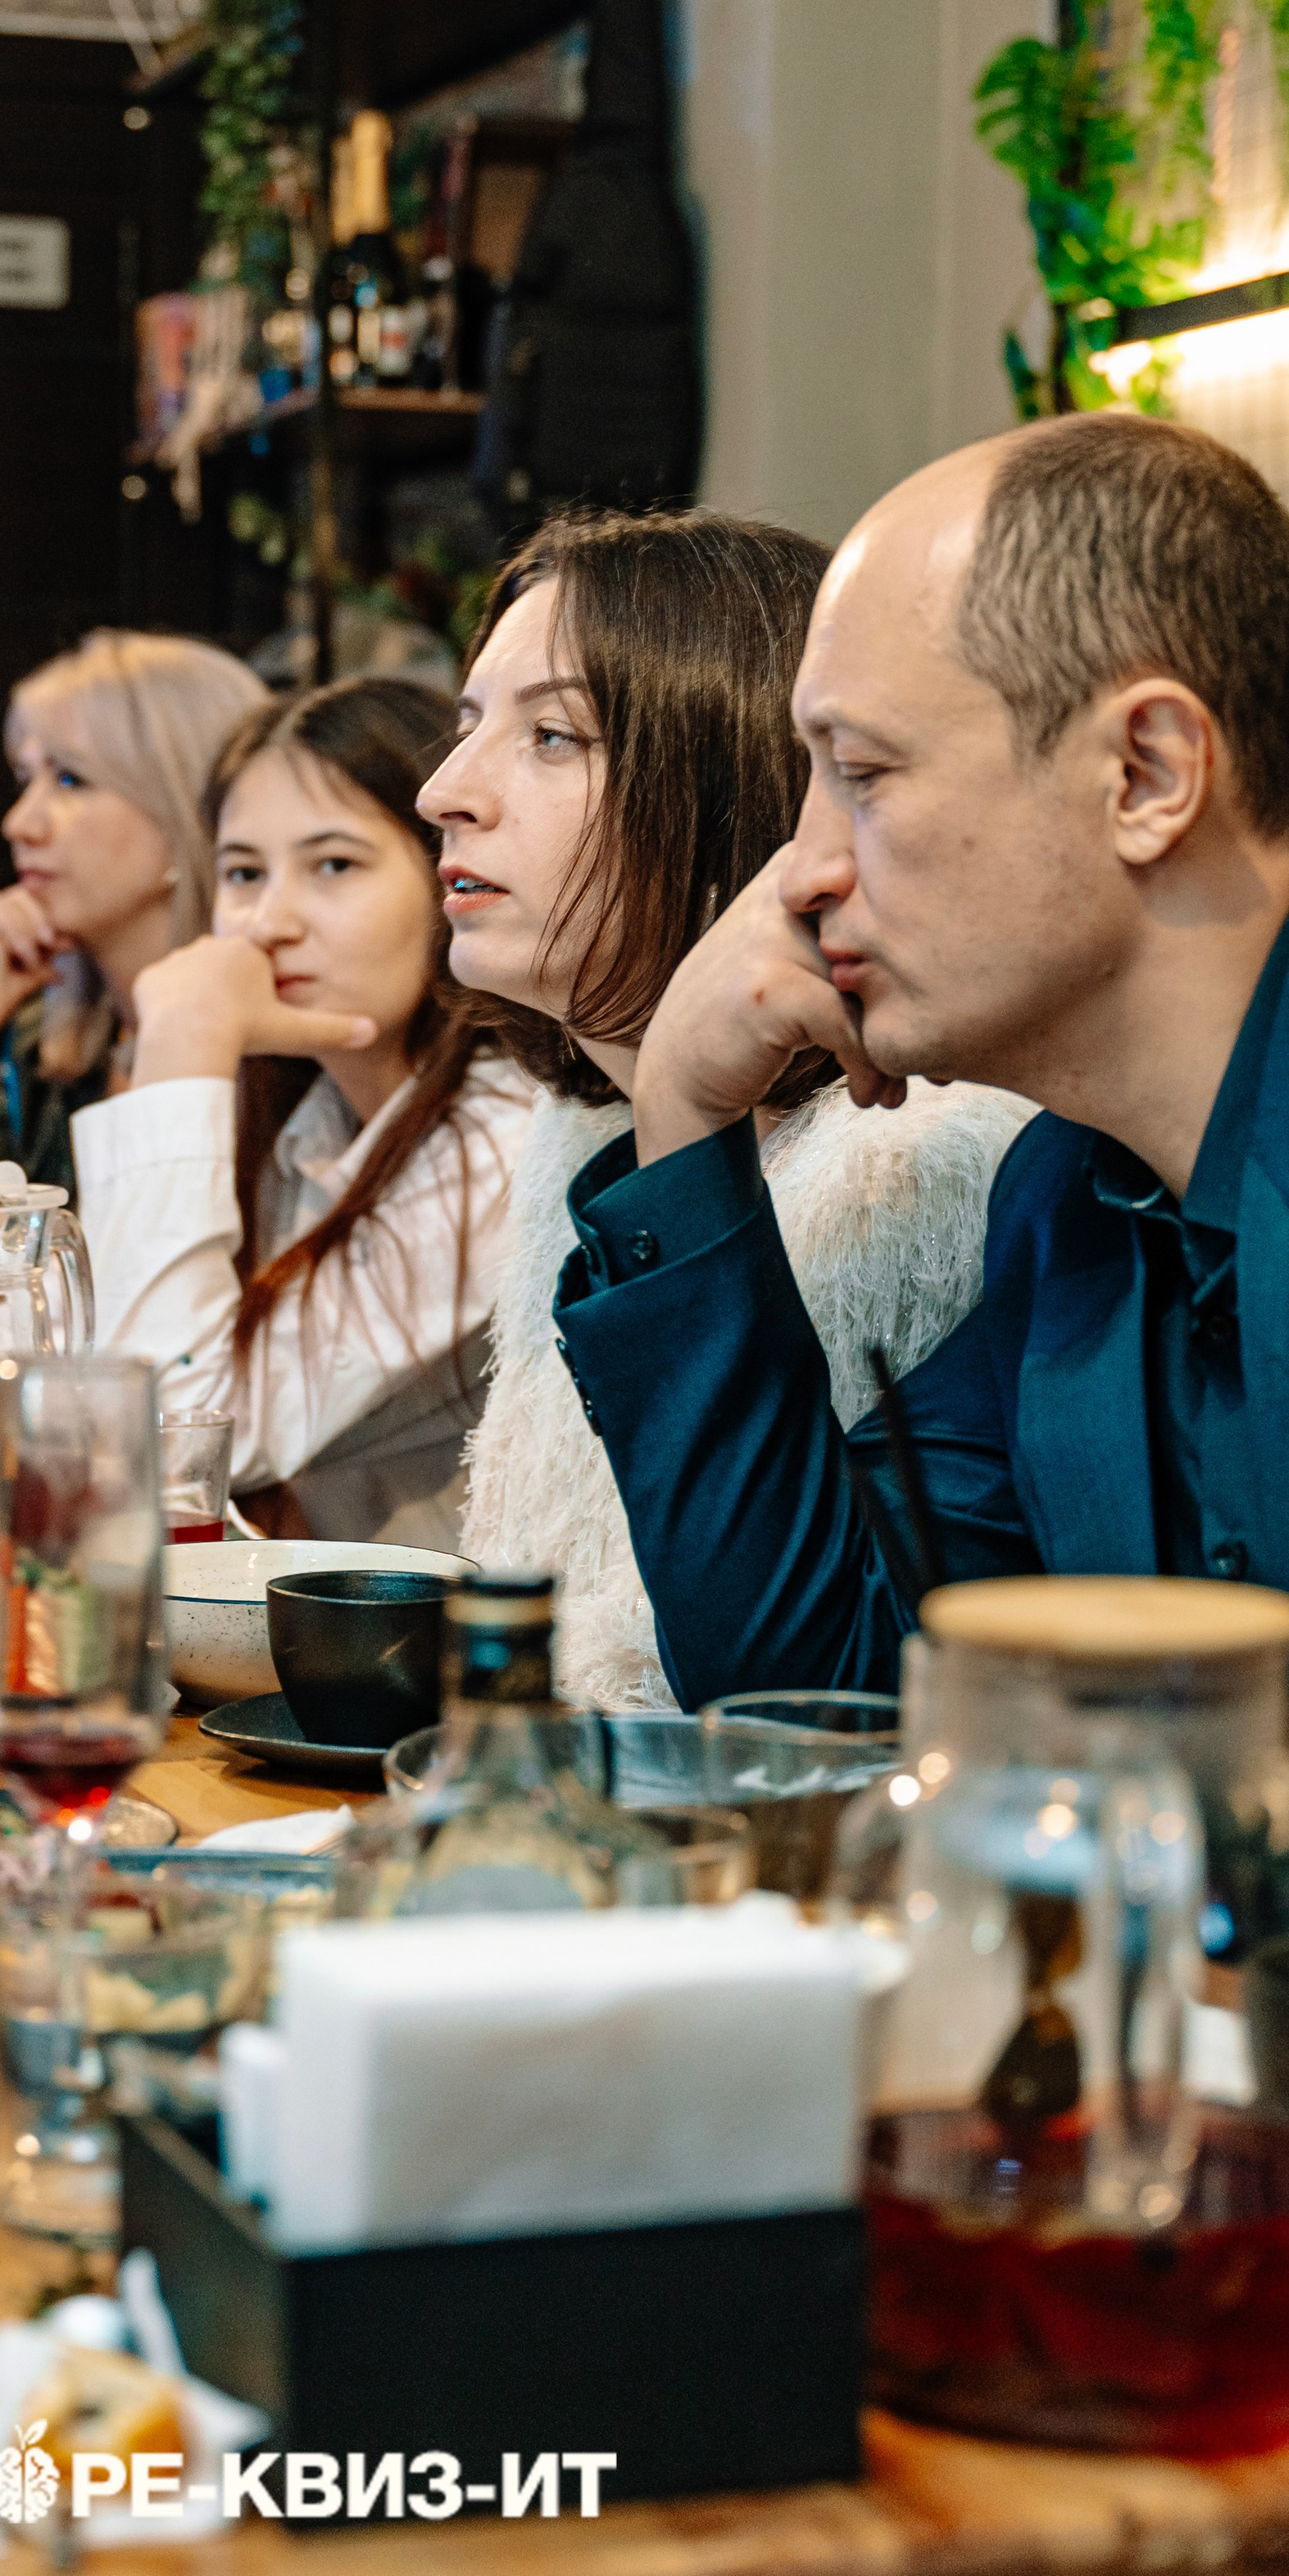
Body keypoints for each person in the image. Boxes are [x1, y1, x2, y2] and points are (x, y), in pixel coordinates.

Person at [550, 412, 1289, 1782]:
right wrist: (684, 1113)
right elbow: (824, 1693)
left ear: (1148, 773)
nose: (794, 872)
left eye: (860, 774)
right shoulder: (1072, 1203)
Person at [416, 510, 1028, 1703]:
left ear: (735, 786)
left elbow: (779, 1696)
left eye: (551, 735)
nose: (446, 790)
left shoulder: (920, 1157)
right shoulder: (585, 1128)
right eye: (466, 725)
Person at [71, 678, 537, 1550]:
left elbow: (161, 1443)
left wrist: (177, 1054)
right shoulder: (317, 1120)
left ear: (452, 877)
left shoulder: (505, 1133)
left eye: (333, 865)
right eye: (243, 872)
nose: (267, 923)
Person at [0, 629, 268, 1342]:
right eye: (24, 778)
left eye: (69, 780)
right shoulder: (50, 1044)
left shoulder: (259, 1060)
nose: (19, 823)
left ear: (185, 811)